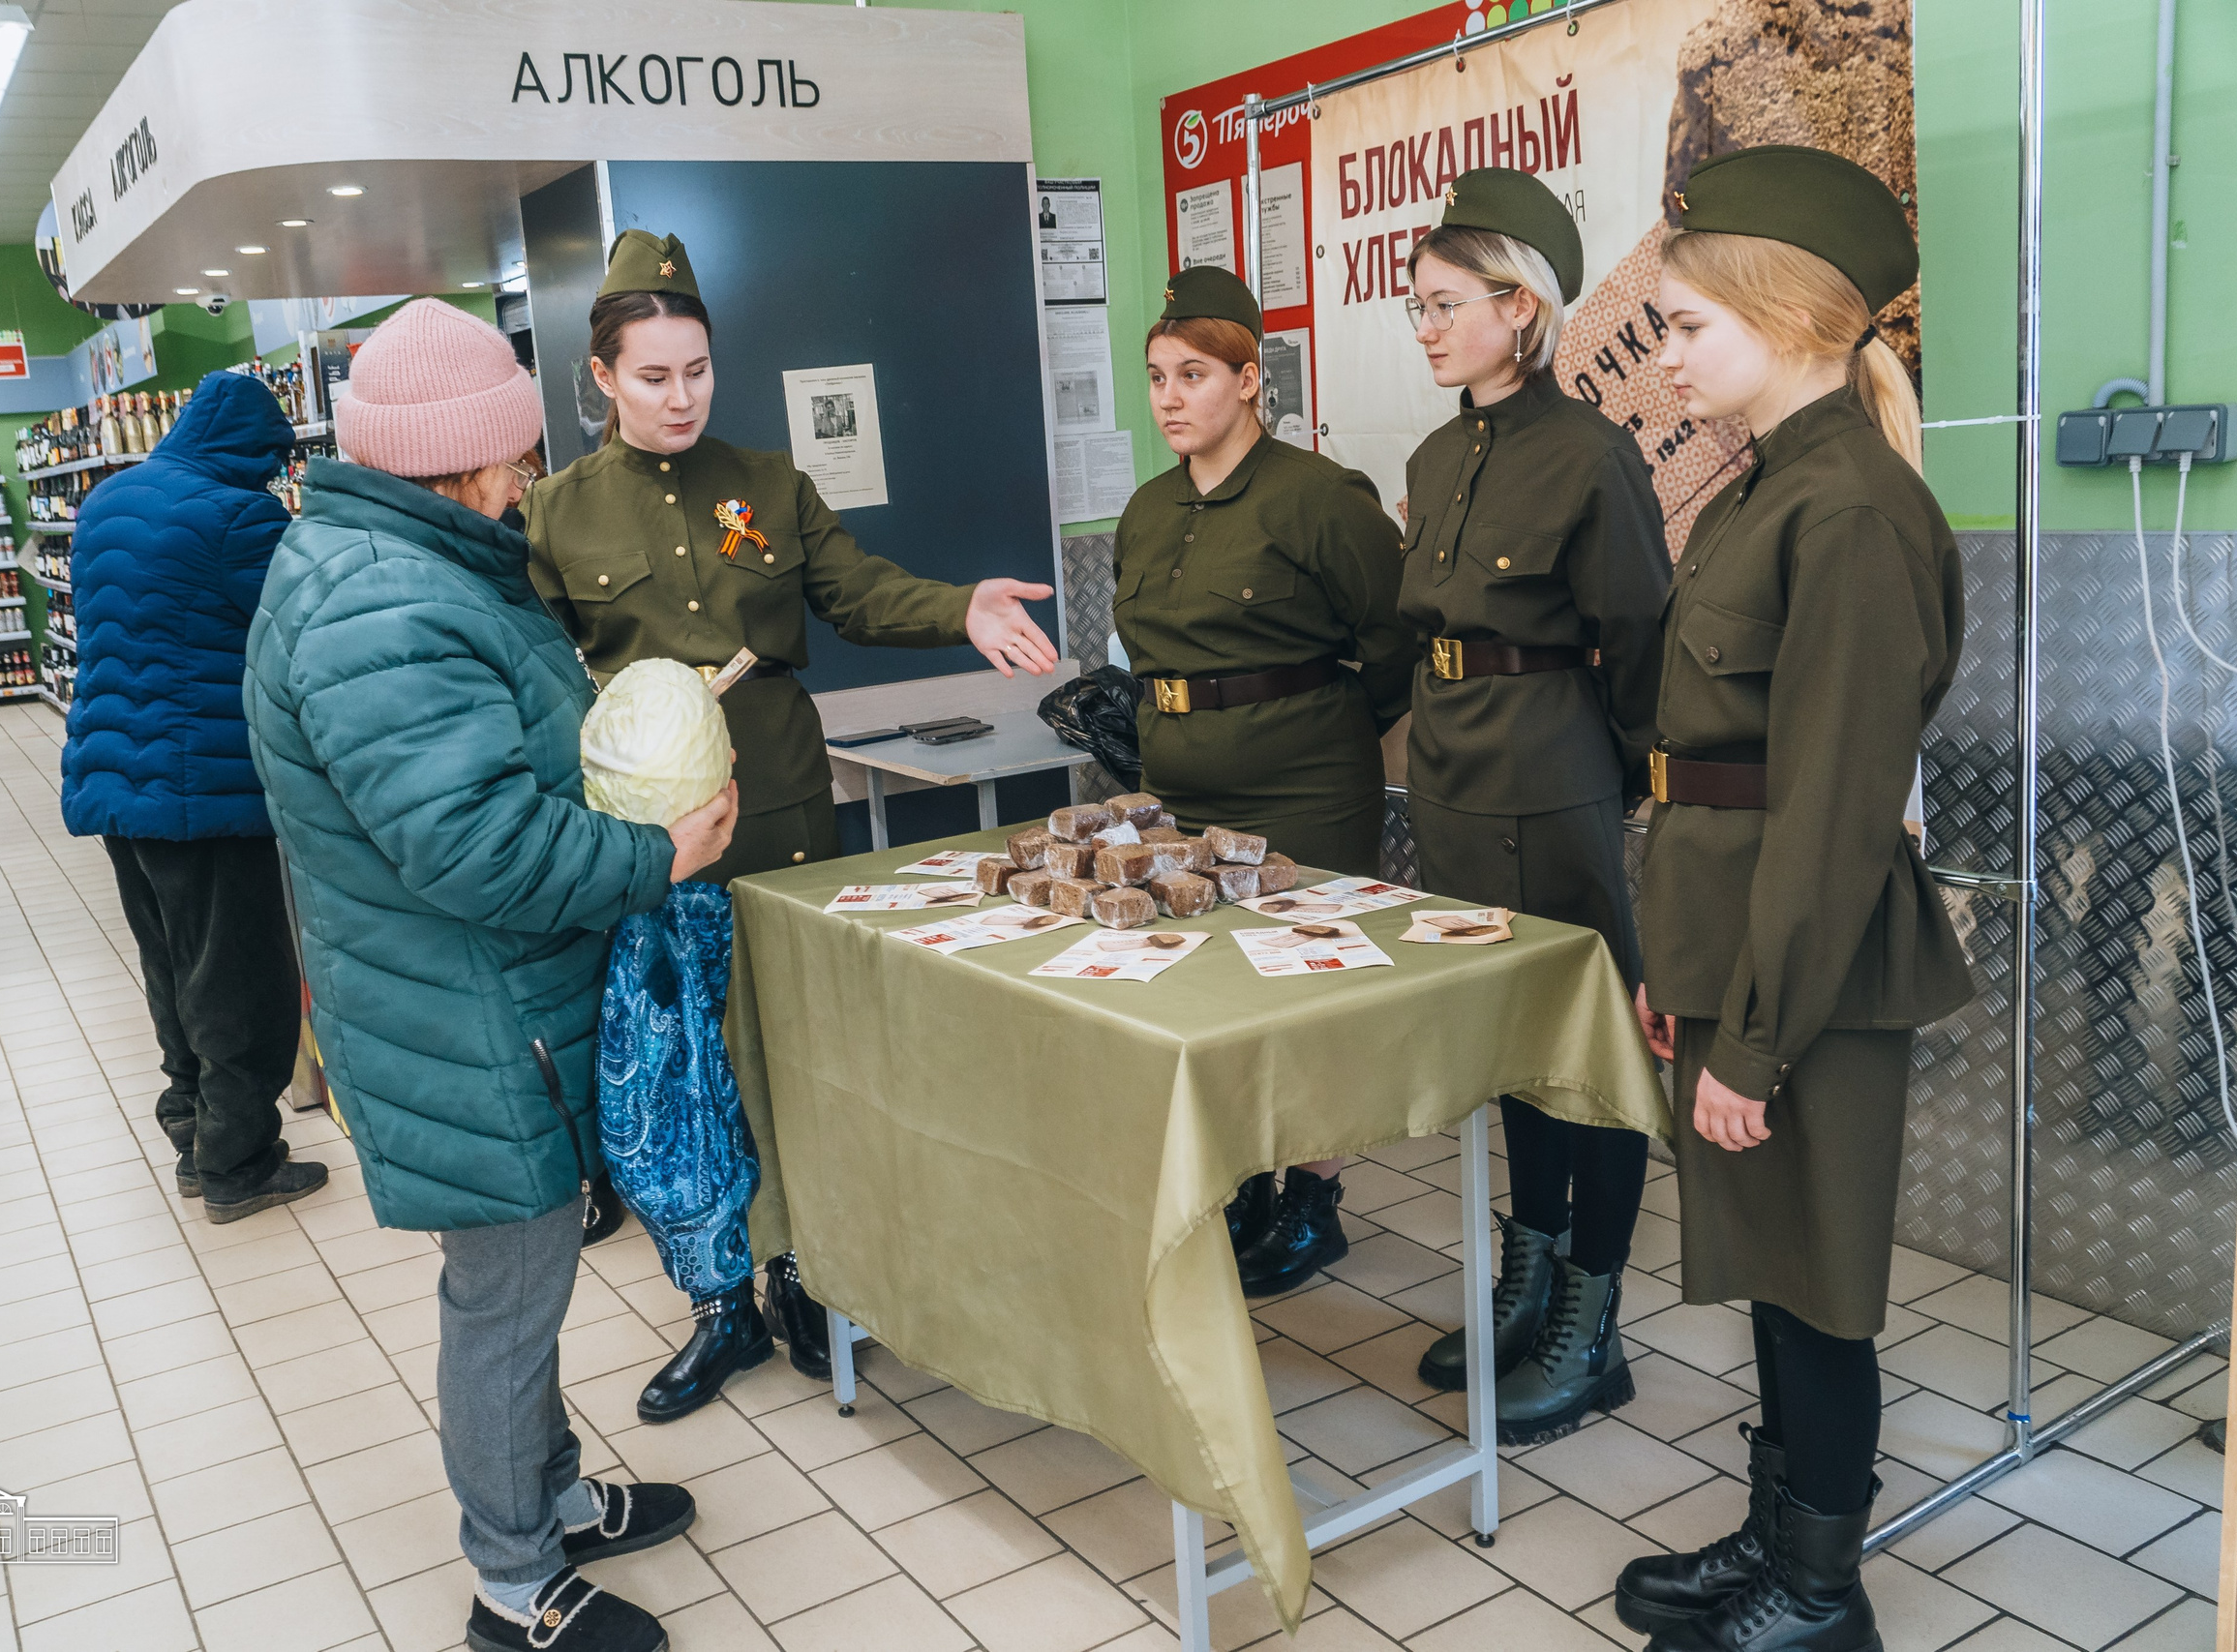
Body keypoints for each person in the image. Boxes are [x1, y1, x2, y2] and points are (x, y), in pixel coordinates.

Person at [245, 298, 731, 1652]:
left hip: (474, 997)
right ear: (456, 458)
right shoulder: (382, 600)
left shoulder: (401, 562)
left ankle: (553, 1490)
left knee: (526, 1286)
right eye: (511, 457)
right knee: (507, 1294)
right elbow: (476, 843)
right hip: (468, 1014)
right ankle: (517, 1583)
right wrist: (655, 850)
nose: (524, 482)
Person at [523, 230, 1059, 1419]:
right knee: (691, 1075)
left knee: (801, 1056)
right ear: (603, 377)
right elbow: (544, 686)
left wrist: (959, 605)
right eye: (653, 376)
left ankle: (806, 1272)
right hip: (660, 852)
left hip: (787, 822)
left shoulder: (765, 485)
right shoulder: (555, 516)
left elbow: (860, 589)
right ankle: (720, 1306)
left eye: (698, 371)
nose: (680, 397)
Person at [1610, 147, 1973, 1652]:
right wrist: (1683, 969)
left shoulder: (1853, 511)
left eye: (1690, 325)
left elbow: (1829, 811)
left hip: (1807, 965)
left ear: (1794, 318)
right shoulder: (1775, 487)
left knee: (1820, 1279)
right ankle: (1777, 1530)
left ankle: (1823, 1589)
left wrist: (1753, 1037)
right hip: (1742, 943)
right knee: (1773, 1261)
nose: (1667, 353)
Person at [1391, 170, 1673, 1446]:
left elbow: (1644, 648)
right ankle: (1532, 1271)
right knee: (1512, 1053)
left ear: (1521, 307)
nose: (1428, 327)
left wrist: (1606, 785)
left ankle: (1591, 1319)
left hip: (1553, 781)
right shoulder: (1438, 453)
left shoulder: (1591, 455)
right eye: (1417, 307)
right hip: (1450, 776)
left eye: (1447, 303)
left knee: (1585, 1061)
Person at [1109, 266, 1413, 1298]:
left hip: (1305, 789)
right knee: (1210, 992)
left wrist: (1322, 733)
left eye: (1192, 374)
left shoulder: (1318, 497)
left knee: (1303, 998)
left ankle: (1313, 1197)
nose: (1169, 398)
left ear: (1248, 379)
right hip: (1180, 794)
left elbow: (1391, 642)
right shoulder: (1149, 510)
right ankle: (1242, 1182)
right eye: (1156, 377)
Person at [61, 369, 323, 1225]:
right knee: (238, 979)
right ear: (254, 451)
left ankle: (191, 1132)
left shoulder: (105, 503)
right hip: (202, 785)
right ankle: (239, 1161)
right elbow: (295, 625)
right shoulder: (238, 515)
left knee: (169, 963)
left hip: (115, 782)